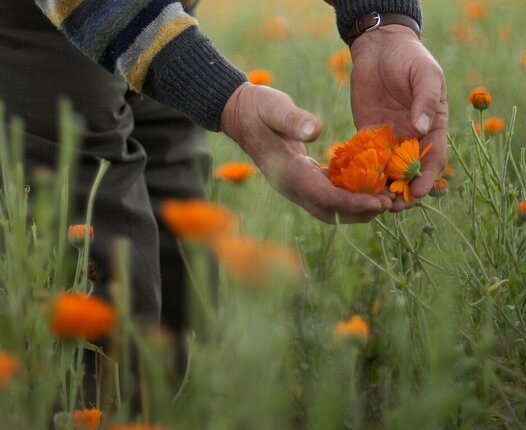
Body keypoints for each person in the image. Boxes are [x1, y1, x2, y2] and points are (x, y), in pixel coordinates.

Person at [0, 0, 447, 333]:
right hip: (40, 24)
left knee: (182, 263)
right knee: (100, 282)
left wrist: (381, 25)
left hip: (163, 14)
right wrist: (220, 95)